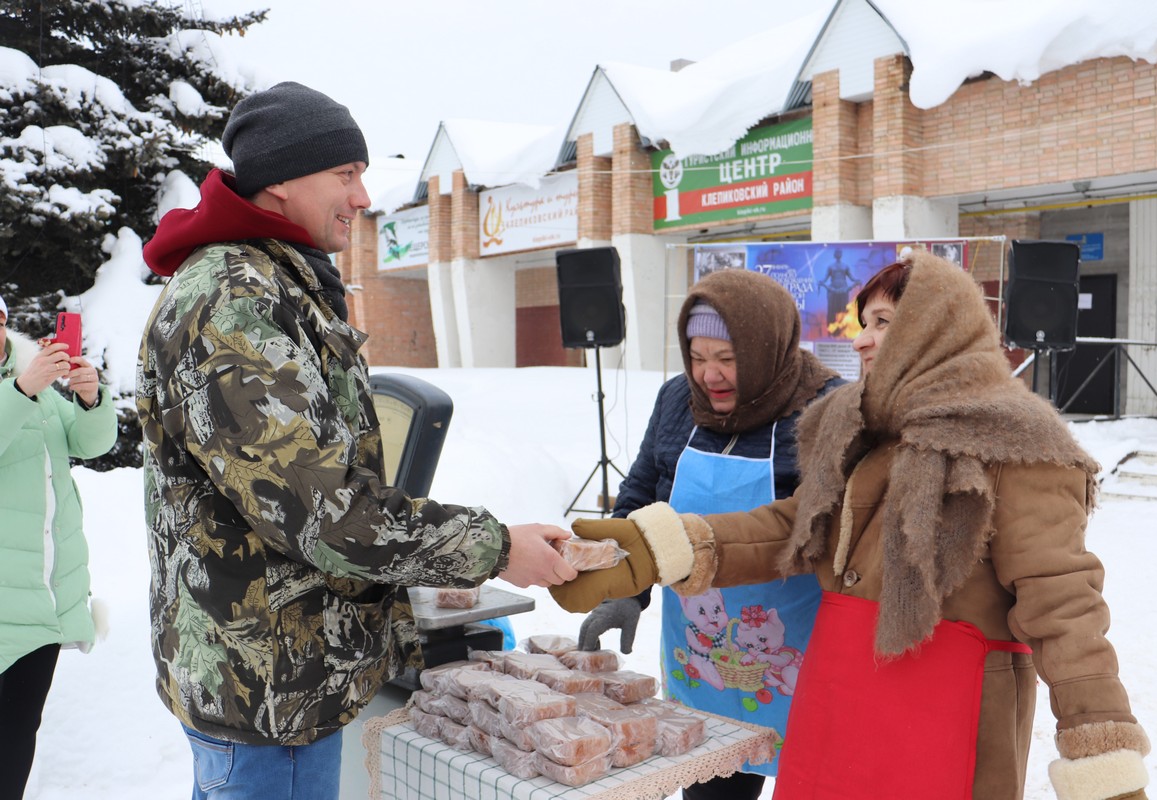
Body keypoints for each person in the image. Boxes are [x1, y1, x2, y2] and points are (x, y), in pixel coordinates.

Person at [551, 251, 1150, 800]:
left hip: (949, 712)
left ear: (937, 329)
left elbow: (1062, 604)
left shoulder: (1019, 447)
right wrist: (659, 550)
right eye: (863, 323)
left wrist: (1101, 748)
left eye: (883, 322)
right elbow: (795, 524)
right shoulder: (864, 429)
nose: (861, 340)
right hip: (846, 690)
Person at [138, 82, 576, 800]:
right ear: (282, 179)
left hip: (280, 674)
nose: (363, 196)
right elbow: (324, 512)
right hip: (267, 691)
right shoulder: (234, 301)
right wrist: (496, 549)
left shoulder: (274, 280)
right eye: (346, 174)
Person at [576, 270, 841, 799]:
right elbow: (642, 495)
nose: (709, 375)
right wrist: (626, 589)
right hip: (700, 644)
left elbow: (831, 528)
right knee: (712, 780)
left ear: (766, 350)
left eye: (728, 358)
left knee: (812, 778)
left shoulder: (825, 410)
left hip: (794, 645)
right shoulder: (678, 399)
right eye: (697, 357)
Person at [0, 295, 117, 799]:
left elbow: (88, 444)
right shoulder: (26, 383)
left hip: (41, 601)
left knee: (15, 739)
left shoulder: (33, 378)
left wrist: (89, 399)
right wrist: (21, 391)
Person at [818, 248, 858, 326]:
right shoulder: (831, 266)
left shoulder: (845, 266)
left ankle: (843, 326)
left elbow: (852, 278)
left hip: (843, 289)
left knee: (844, 307)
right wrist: (821, 282)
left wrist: (857, 281)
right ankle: (832, 326)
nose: (838, 254)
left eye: (839, 253)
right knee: (832, 308)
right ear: (835, 255)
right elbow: (825, 278)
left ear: (841, 254)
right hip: (833, 289)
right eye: (837, 253)